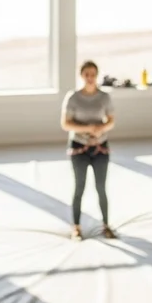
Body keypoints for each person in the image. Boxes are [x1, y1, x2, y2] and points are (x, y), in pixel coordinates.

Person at [60, 60, 117, 240]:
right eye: (87, 75)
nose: (90, 78)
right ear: (82, 76)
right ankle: (76, 227)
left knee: (101, 187)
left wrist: (100, 129)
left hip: (100, 147)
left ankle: (106, 225)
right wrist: (88, 128)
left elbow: (111, 120)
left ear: (97, 75)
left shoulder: (104, 97)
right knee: (79, 187)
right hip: (79, 148)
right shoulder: (73, 97)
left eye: (93, 74)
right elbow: (65, 123)